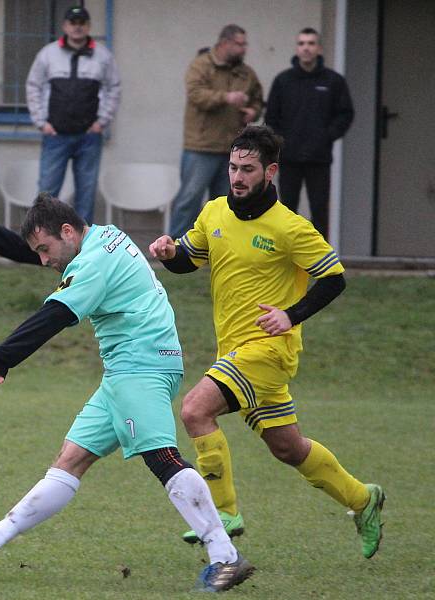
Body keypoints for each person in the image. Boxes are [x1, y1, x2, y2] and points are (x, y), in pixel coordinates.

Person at [0, 195, 255, 593]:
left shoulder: (94, 263)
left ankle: (225, 556)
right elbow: (39, 253)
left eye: (46, 249)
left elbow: (56, 316)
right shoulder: (102, 237)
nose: (45, 261)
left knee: (162, 457)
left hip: (142, 366)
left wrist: (0, 357)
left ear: (67, 232)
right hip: (127, 370)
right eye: (40, 251)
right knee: (70, 460)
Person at [149, 126, 384, 560]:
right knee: (288, 447)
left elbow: (334, 279)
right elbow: (189, 260)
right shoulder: (214, 213)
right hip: (235, 353)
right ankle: (363, 499)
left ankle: (222, 514)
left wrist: (290, 315)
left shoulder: (290, 227)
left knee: (195, 409)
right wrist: (169, 255)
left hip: (269, 351)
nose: (237, 177)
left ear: (270, 171)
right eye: (233, 168)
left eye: (248, 169)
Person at [25, 6, 121, 225]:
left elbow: (113, 88)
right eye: (72, 22)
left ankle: (84, 249)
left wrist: (102, 121)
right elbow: (33, 86)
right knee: (46, 195)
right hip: (55, 136)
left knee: (86, 194)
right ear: (65, 26)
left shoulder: (103, 56)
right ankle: (41, 243)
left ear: (88, 26)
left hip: (88, 137)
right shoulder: (47, 54)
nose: (77, 26)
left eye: (82, 22)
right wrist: (41, 123)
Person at [168, 24, 263, 240]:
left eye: (245, 44)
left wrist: (253, 111)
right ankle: (176, 247)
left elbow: (258, 99)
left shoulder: (246, 73)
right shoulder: (201, 66)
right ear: (224, 43)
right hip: (201, 146)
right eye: (239, 44)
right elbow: (196, 95)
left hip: (233, 148)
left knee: (226, 202)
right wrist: (226, 98)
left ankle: (220, 246)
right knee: (190, 198)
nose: (244, 49)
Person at [265, 27, 354, 239]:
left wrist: (326, 137)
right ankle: (286, 259)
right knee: (286, 211)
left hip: (319, 158)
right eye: (302, 43)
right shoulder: (283, 81)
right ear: (297, 48)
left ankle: (321, 263)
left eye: (311, 43)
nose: (306, 48)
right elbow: (271, 117)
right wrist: (281, 143)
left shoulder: (333, 81)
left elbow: (345, 114)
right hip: (289, 157)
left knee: (320, 211)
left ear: (319, 48)